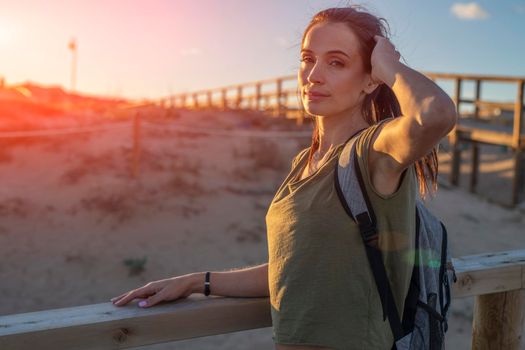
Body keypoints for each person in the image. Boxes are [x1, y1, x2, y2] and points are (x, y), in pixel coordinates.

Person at [110, 5, 457, 350]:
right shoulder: (303, 163)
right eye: (308, 59)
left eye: (336, 62)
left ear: (370, 80)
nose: (313, 75)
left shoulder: (373, 152)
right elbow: (292, 270)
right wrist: (197, 282)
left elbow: (436, 114)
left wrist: (389, 66)